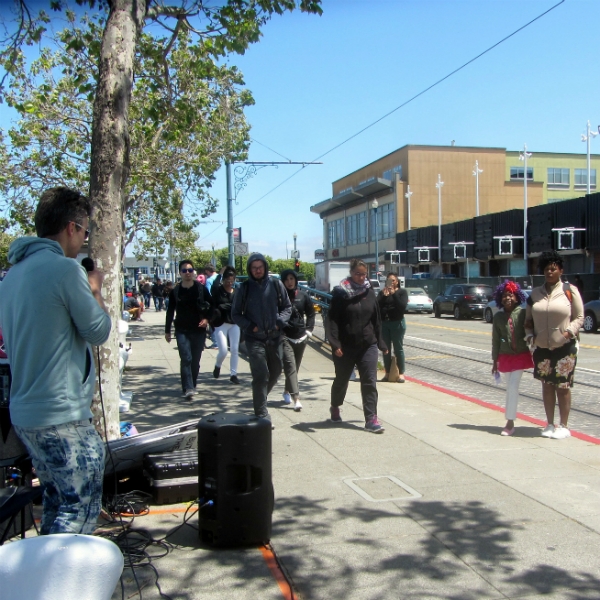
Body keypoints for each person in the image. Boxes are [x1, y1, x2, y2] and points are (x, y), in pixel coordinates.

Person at [0, 186, 111, 535]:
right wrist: (94, 289)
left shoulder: (13, 274)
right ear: (71, 228)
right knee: (77, 508)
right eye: (85, 231)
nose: (83, 239)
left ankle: (44, 576)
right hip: (60, 413)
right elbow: (98, 330)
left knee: (54, 499)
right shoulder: (65, 271)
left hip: (26, 412)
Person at [525, 251, 584, 440]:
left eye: (553, 269)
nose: (549, 272)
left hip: (565, 347)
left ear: (560, 270)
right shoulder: (535, 294)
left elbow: (580, 317)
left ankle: (564, 425)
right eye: (546, 269)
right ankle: (549, 424)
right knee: (547, 385)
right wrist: (530, 337)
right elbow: (528, 321)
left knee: (563, 386)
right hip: (542, 347)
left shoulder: (569, 290)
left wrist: (567, 333)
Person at [326, 259, 388, 433]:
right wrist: (335, 343)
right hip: (345, 346)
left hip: (368, 344)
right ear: (351, 273)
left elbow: (376, 319)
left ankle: (371, 419)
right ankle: (335, 406)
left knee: (369, 381)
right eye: (357, 274)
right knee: (342, 380)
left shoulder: (370, 292)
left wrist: (381, 342)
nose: (361, 278)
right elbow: (332, 320)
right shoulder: (340, 294)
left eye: (363, 274)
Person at [231, 253, 291, 420]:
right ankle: (261, 413)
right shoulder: (244, 288)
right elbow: (235, 314)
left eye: (260, 267)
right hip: (254, 338)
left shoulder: (276, 284)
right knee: (260, 374)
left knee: (277, 370)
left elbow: (287, 307)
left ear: (265, 267)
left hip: (274, 337)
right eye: (254, 268)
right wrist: (250, 326)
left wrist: (280, 321)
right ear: (250, 269)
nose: (258, 270)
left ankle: (260, 398)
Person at [165, 260, 214, 399]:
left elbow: (212, 306)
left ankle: (192, 383)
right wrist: (167, 331)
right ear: (180, 273)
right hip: (182, 330)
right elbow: (170, 311)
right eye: (185, 270)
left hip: (198, 330)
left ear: (194, 272)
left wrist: (207, 319)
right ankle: (188, 387)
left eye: (190, 270)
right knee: (186, 358)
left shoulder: (201, 289)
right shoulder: (176, 291)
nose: (188, 273)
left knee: (195, 360)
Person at [491, 280, 534, 436]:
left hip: (521, 355)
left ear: (517, 297)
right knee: (509, 387)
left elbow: (532, 328)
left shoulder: (523, 314)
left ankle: (510, 422)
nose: (507, 298)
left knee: (513, 387)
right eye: (504, 295)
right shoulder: (498, 317)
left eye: (511, 295)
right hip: (505, 356)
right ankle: (510, 419)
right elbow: (495, 340)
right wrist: (494, 360)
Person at [280, 268, 316, 412]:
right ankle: (297, 399)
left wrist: (309, 330)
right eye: (286, 279)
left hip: (301, 336)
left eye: (292, 279)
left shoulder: (303, 295)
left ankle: (286, 391)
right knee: (290, 366)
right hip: (285, 337)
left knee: (295, 368)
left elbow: (311, 313)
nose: (289, 282)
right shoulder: (280, 297)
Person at [211, 266, 241, 384]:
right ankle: (218, 365)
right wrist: (220, 274)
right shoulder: (218, 291)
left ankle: (233, 374)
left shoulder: (236, 292)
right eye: (227, 280)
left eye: (231, 281)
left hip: (234, 323)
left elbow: (237, 306)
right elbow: (214, 287)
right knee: (223, 350)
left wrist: (224, 306)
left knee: (234, 349)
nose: (229, 283)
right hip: (221, 323)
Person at [377, 273, 408, 383]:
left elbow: (402, 307)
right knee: (386, 349)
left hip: (397, 323)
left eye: (393, 281)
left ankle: (401, 373)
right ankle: (387, 373)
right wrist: (383, 297)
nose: (391, 283)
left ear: (397, 282)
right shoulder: (382, 293)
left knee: (398, 348)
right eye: (389, 281)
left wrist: (394, 294)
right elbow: (377, 307)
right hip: (385, 324)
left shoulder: (402, 292)